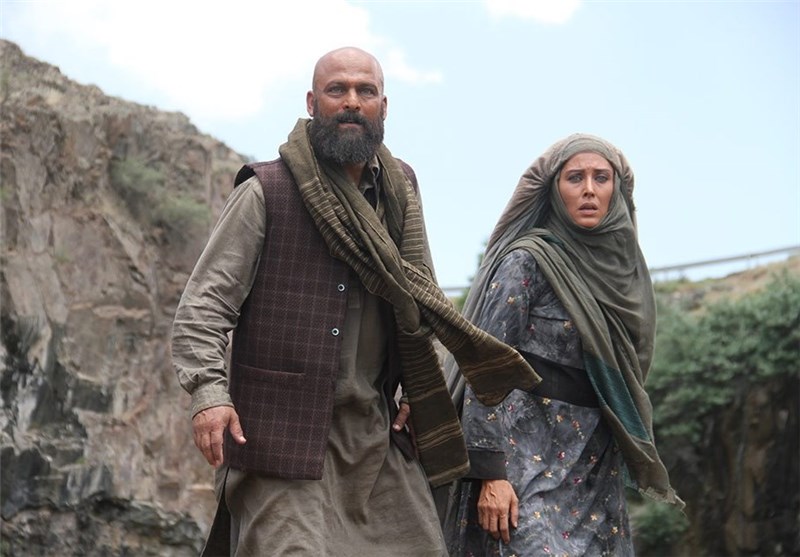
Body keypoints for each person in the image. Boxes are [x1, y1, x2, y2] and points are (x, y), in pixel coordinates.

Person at [171, 46, 539, 556]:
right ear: (311, 102)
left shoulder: (400, 189)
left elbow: (422, 297)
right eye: (336, 90)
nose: (351, 101)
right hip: (278, 437)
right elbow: (203, 308)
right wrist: (209, 395)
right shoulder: (266, 190)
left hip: (374, 435)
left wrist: (418, 390)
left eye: (365, 91)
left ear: (383, 107)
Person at [439, 134, 684, 556]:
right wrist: (490, 473)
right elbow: (484, 366)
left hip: (594, 472)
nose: (589, 189)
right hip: (521, 467)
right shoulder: (528, 261)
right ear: (554, 189)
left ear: (617, 190)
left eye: (601, 178)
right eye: (575, 178)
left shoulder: (625, 277)